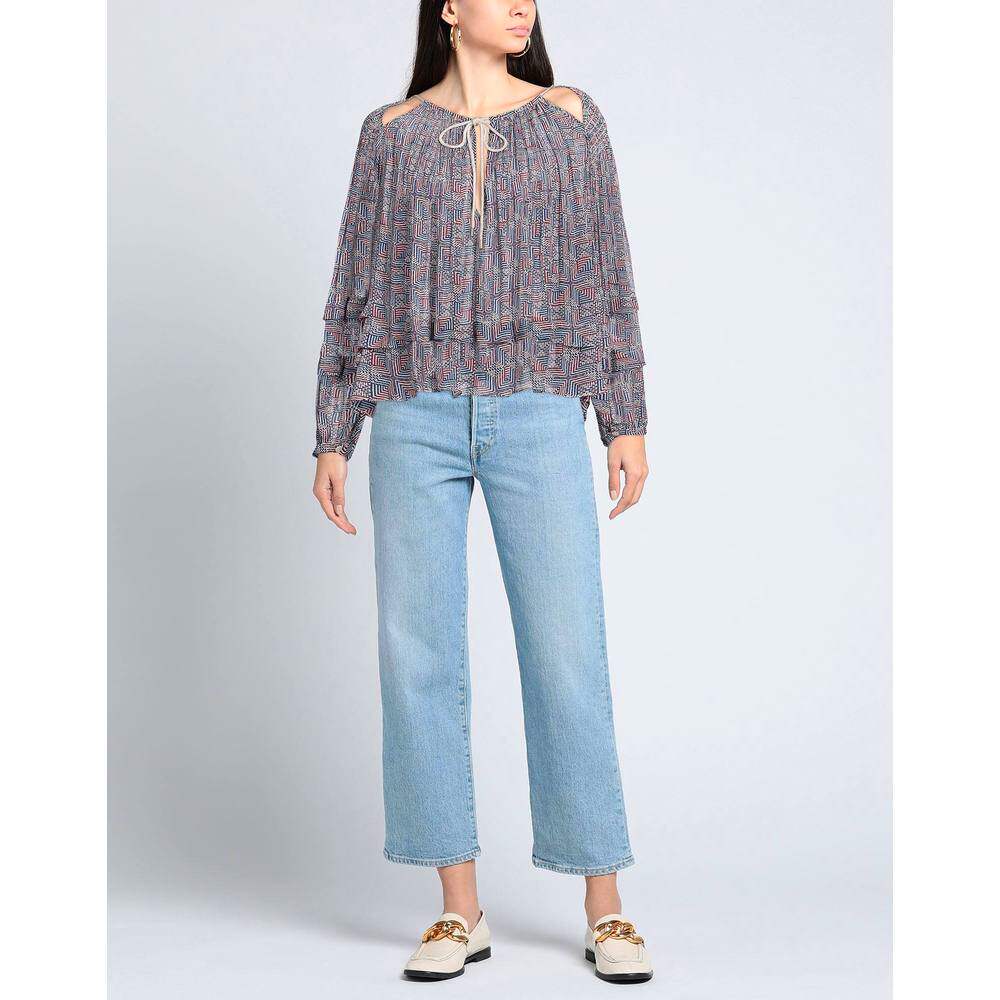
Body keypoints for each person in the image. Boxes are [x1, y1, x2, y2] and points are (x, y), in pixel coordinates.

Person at [311, 1, 652, 984]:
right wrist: (334, 429)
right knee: (416, 653)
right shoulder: (389, 134)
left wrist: (622, 413)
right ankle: (458, 909)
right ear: (449, 8)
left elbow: (604, 266)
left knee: (566, 648)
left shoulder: (570, 118)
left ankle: (605, 905)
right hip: (410, 412)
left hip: (538, 407)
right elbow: (354, 285)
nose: (521, 6)